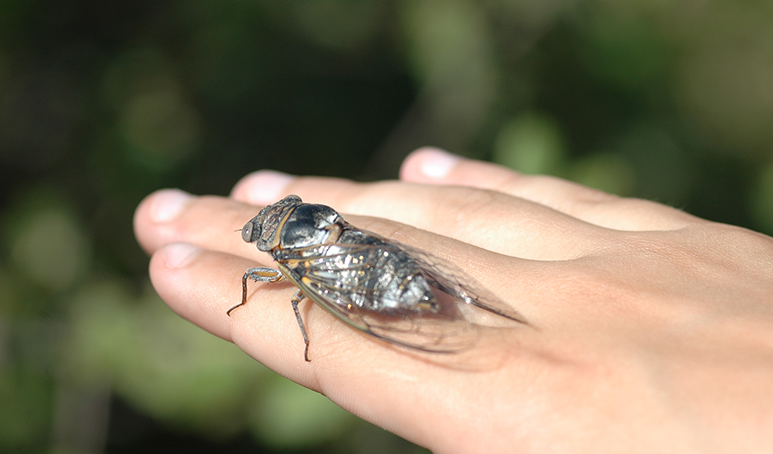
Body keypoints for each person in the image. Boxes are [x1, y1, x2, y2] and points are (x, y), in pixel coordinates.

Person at [133, 147, 773, 453]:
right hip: (370, 255)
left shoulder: (284, 261)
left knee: (309, 304)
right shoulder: (318, 224)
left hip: (355, 282)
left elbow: (299, 297)